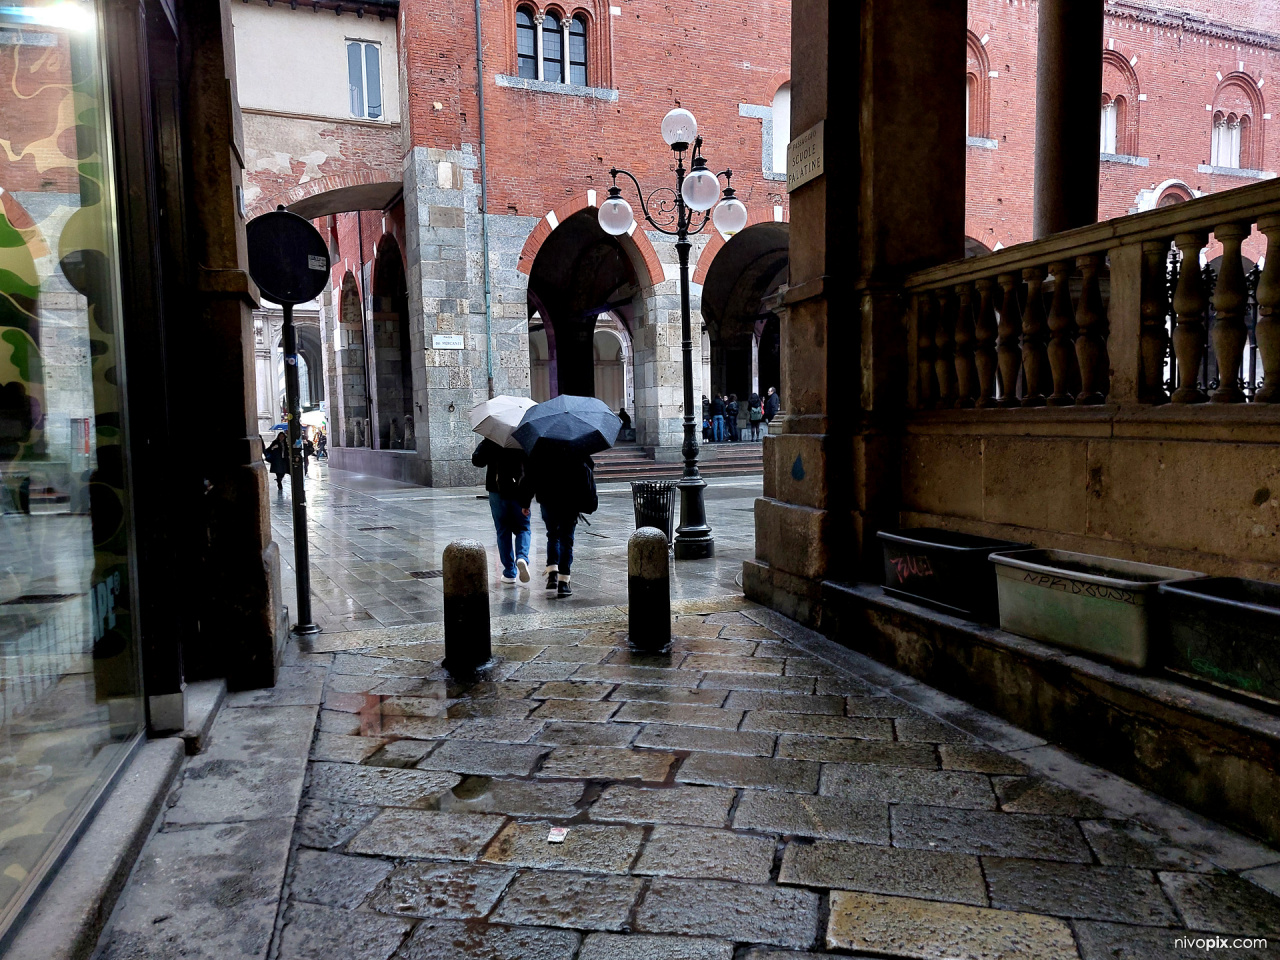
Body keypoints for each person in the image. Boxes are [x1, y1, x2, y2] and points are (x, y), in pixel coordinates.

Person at [519, 443, 598, 598]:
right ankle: (563, 582)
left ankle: (552, 573)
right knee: (566, 539)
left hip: (547, 499)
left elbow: (530, 475)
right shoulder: (576, 445)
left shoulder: (540, 447)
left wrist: (525, 502)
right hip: (570, 501)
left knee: (553, 535)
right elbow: (589, 466)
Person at [472, 438, 531, 583]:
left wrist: (488, 445)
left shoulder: (493, 437)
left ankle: (510, 572)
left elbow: (477, 460)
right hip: (519, 489)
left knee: (503, 530)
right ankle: (522, 557)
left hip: (497, 490)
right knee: (523, 528)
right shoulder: (524, 437)